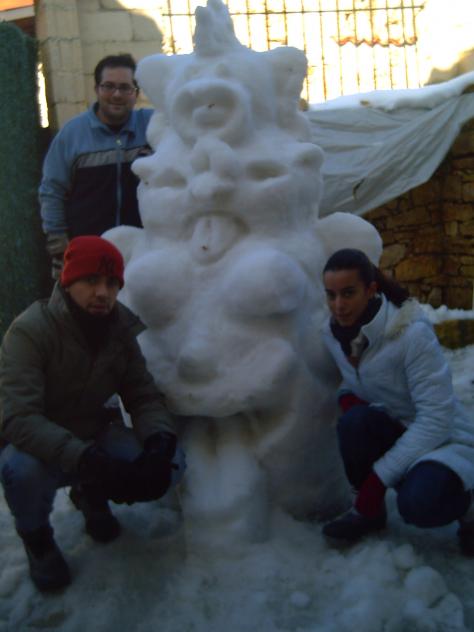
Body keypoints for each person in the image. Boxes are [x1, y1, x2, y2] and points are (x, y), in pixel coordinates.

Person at [0, 236, 186, 592]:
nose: (103, 292)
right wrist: (90, 461)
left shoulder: (120, 330)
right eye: (91, 280)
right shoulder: (30, 331)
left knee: (173, 462)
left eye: (112, 283)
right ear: (68, 281)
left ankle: (90, 494)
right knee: (21, 471)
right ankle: (37, 539)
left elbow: (143, 395)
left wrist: (159, 442)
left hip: (92, 430)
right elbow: (18, 419)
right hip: (37, 443)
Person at [320, 248, 474, 555]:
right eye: (331, 295)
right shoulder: (334, 334)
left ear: (371, 290)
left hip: (444, 439)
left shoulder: (410, 335)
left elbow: (437, 418)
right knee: (353, 423)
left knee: (418, 504)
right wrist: (349, 399)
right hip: (399, 425)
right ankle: (369, 515)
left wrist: (377, 481)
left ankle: (469, 508)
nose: (338, 305)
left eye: (348, 293)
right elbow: (355, 380)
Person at [39, 53, 153, 278]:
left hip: (143, 252)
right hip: (87, 254)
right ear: (96, 89)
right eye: (108, 86)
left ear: (136, 93)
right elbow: (52, 191)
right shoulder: (72, 135)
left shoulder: (152, 127)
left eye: (125, 87)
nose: (116, 94)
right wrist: (59, 244)